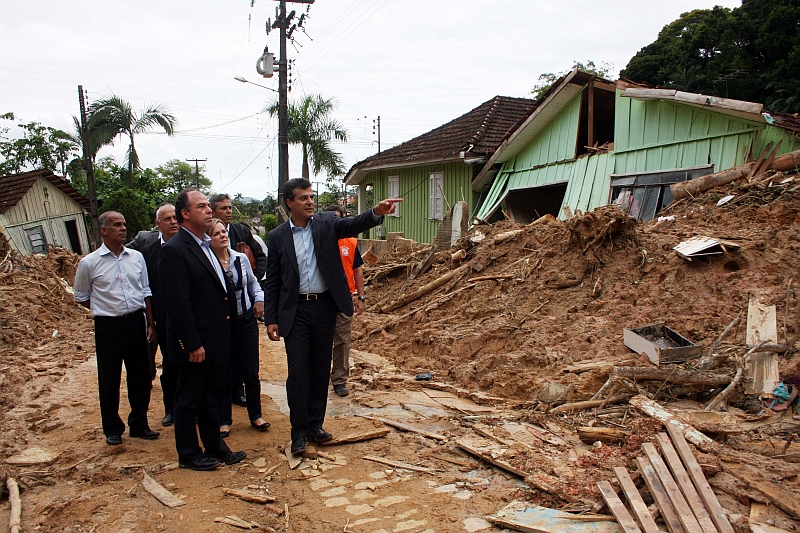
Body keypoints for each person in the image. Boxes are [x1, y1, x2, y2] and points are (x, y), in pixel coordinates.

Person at [263, 178, 401, 455]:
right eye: (303, 198)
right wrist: (271, 318)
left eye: (311, 196)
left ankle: (316, 424)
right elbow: (274, 280)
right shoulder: (278, 237)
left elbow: (352, 225)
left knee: (318, 369)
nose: (310, 202)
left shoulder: (326, 224)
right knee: (298, 372)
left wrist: (376, 212)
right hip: (296, 311)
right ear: (290, 203)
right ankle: (298, 432)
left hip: (324, 307)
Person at [159, 189, 247, 471]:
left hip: (215, 338)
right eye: (201, 207)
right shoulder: (175, 250)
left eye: (209, 206)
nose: (209, 210)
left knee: (211, 396)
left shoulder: (205, 245)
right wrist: (192, 343)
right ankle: (188, 454)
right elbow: (177, 303)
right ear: (185, 214)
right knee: (188, 399)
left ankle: (215, 447)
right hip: (195, 344)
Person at [73, 211, 159, 446]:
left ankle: (139, 424)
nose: (123, 228)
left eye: (124, 224)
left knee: (141, 376)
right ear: (104, 230)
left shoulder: (136, 258)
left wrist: (150, 323)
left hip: (136, 323)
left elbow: (145, 291)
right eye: (116, 225)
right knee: (109, 378)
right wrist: (104, 307)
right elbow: (81, 296)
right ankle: (112, 428)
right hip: (108, 326)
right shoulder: (89, 263)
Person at [206, 218, 270, 436]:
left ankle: (256, 415)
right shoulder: (207, 262)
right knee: (224, 371)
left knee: (251, 371)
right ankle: (224, 419)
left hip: (246, 321)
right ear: (208, 239)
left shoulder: (240, 259)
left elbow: (252, 283)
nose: (223, 236)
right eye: (216, 234)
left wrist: (259, 299)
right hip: (222, 325)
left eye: (224, 232)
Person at [141, 203, 180, 427]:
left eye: (175, 217)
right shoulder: (148, 252)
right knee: (169, 365)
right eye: (167, 219)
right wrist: (151, 319)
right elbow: (146, 287)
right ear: (158, 224)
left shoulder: (190, 245)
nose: (173, 222)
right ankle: (170, 408)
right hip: (163, 318)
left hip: (190, 318)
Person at [324, 205, 366, 398]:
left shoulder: (350, 242)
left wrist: (360, 297)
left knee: (342, 340)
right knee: (320, 340)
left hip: (344, 297)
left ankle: (339, 380)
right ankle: (318, 377)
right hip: (321, 297)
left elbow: (358, 270)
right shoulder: (318, 241)